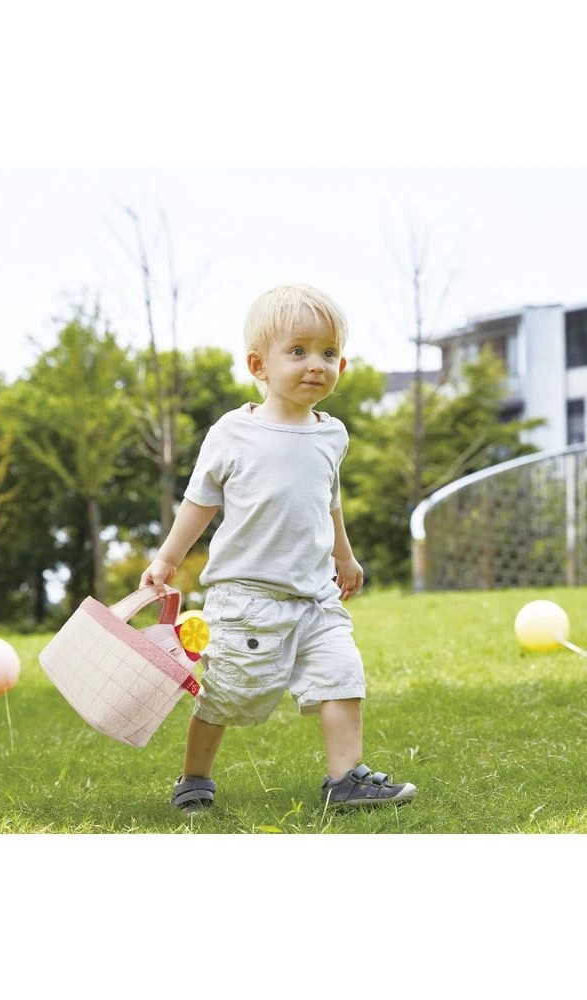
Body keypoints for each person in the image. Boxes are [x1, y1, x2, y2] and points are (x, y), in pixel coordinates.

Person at [141, 283, 416, 812]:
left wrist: (344, 556)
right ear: (258, 365)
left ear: (342, 364)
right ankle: (194, 778)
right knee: (228, 693)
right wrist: (167, 559)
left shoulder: (332, 434)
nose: (316, 364)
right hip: (248, 600)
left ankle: (346, 779)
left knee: (342, 674)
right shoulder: (233, 433)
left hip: (316, 596)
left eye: (328, 353)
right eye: (298, 351)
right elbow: (200, 501)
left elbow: (328, 500)